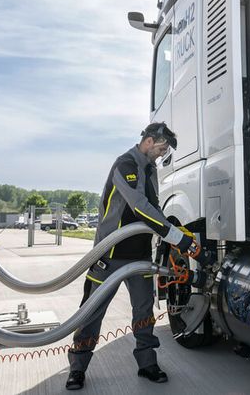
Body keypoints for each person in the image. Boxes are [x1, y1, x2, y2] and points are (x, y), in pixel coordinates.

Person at [66, 122, 210, 390]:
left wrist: (177, 231)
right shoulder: (125, 165)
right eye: (162, 148)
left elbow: (154, 208)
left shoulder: (150, 169)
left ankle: (147, 364)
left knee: (144, 312)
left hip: (140, 255)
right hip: (109, 254)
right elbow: (140, 207)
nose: (163, 153)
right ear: (149, 141)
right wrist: (177, 238)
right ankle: (77, 368)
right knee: (92, 312)